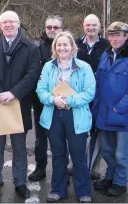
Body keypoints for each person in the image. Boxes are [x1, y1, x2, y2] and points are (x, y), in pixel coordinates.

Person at [0, 11, 42, 199]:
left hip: (19, 104)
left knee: (19, 148)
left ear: (18, 23)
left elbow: (32, 75)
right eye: (4, 22)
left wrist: (14, 93)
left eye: (11, 22)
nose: (8, 25)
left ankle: (20, 182)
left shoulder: (31, 48)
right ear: (0, 26)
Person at [36, 31, 96, 203]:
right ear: (55, 47)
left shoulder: (84, 67)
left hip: (76, 116)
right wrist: (53, 99)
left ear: (72, 47)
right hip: (53, 114)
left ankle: (83, 191)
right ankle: (58, 189)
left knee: (78, 156)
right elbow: (41, 90)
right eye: (59, 45)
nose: (62, 48)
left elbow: (89, 93)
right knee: (58, 155)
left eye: (65, 44)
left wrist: (69, 100)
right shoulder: (48, 67)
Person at [92, 22, 128, 197]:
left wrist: (119, 108)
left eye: (118, 35)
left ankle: (120, 182)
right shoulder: (106, 55)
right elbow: (98, 82)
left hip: (121, 114)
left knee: (121, 153)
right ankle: (110, 176)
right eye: (111, 35)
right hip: (103, 112)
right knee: (107, 150)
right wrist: (95, 107)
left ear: (126, 36)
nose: (114, 39)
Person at [75, 14, 110, 180]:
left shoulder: (107, 45)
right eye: (88, 25)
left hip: (99, 97)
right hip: (78, 97)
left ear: (99, 26)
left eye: (94, 25)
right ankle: (75, 163)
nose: (91, 28)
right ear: (83, 25)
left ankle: (93, 167)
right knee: (77, 132)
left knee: (96, 132)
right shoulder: (75, 44)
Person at [29, 15, 63, 182]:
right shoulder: (36, 48)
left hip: (63, 100)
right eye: (49, 27)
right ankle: (40, 167)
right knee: (40, 138)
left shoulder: (67, 46)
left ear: (61, 29)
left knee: (61, 138)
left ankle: (62, 171)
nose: (51, 30)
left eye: (55, 27)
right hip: (41, 100)